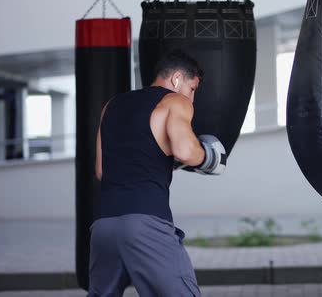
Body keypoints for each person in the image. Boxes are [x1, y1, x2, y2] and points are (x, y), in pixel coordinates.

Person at [88, 50, 225, 297]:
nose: (192, 99)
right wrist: (209, 158)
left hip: (103, 227)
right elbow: (185, 151)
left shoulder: (111, 106)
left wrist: (164, 162)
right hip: (145, 223)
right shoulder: (175, 101)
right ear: (176, 79)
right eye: (192, 89)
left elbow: (101, 171)